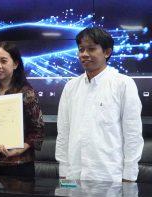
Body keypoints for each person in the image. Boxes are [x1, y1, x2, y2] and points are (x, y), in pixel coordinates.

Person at [55, 27, 144, 182]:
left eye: (91, 49)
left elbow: (132, 134)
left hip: (108, 176)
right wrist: (63, 171)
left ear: (107, 52)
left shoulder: (123, 84)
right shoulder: (70, 86)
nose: (84, 54)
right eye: (81, 49)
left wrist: (129, 176)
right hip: (74, 176)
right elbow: (63, 132)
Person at [0, 41, 45, 177]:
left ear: (15, 64)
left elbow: (38, 130)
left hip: (19, 166)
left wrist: (17, 150)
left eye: (3, 61)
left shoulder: (26, 93)